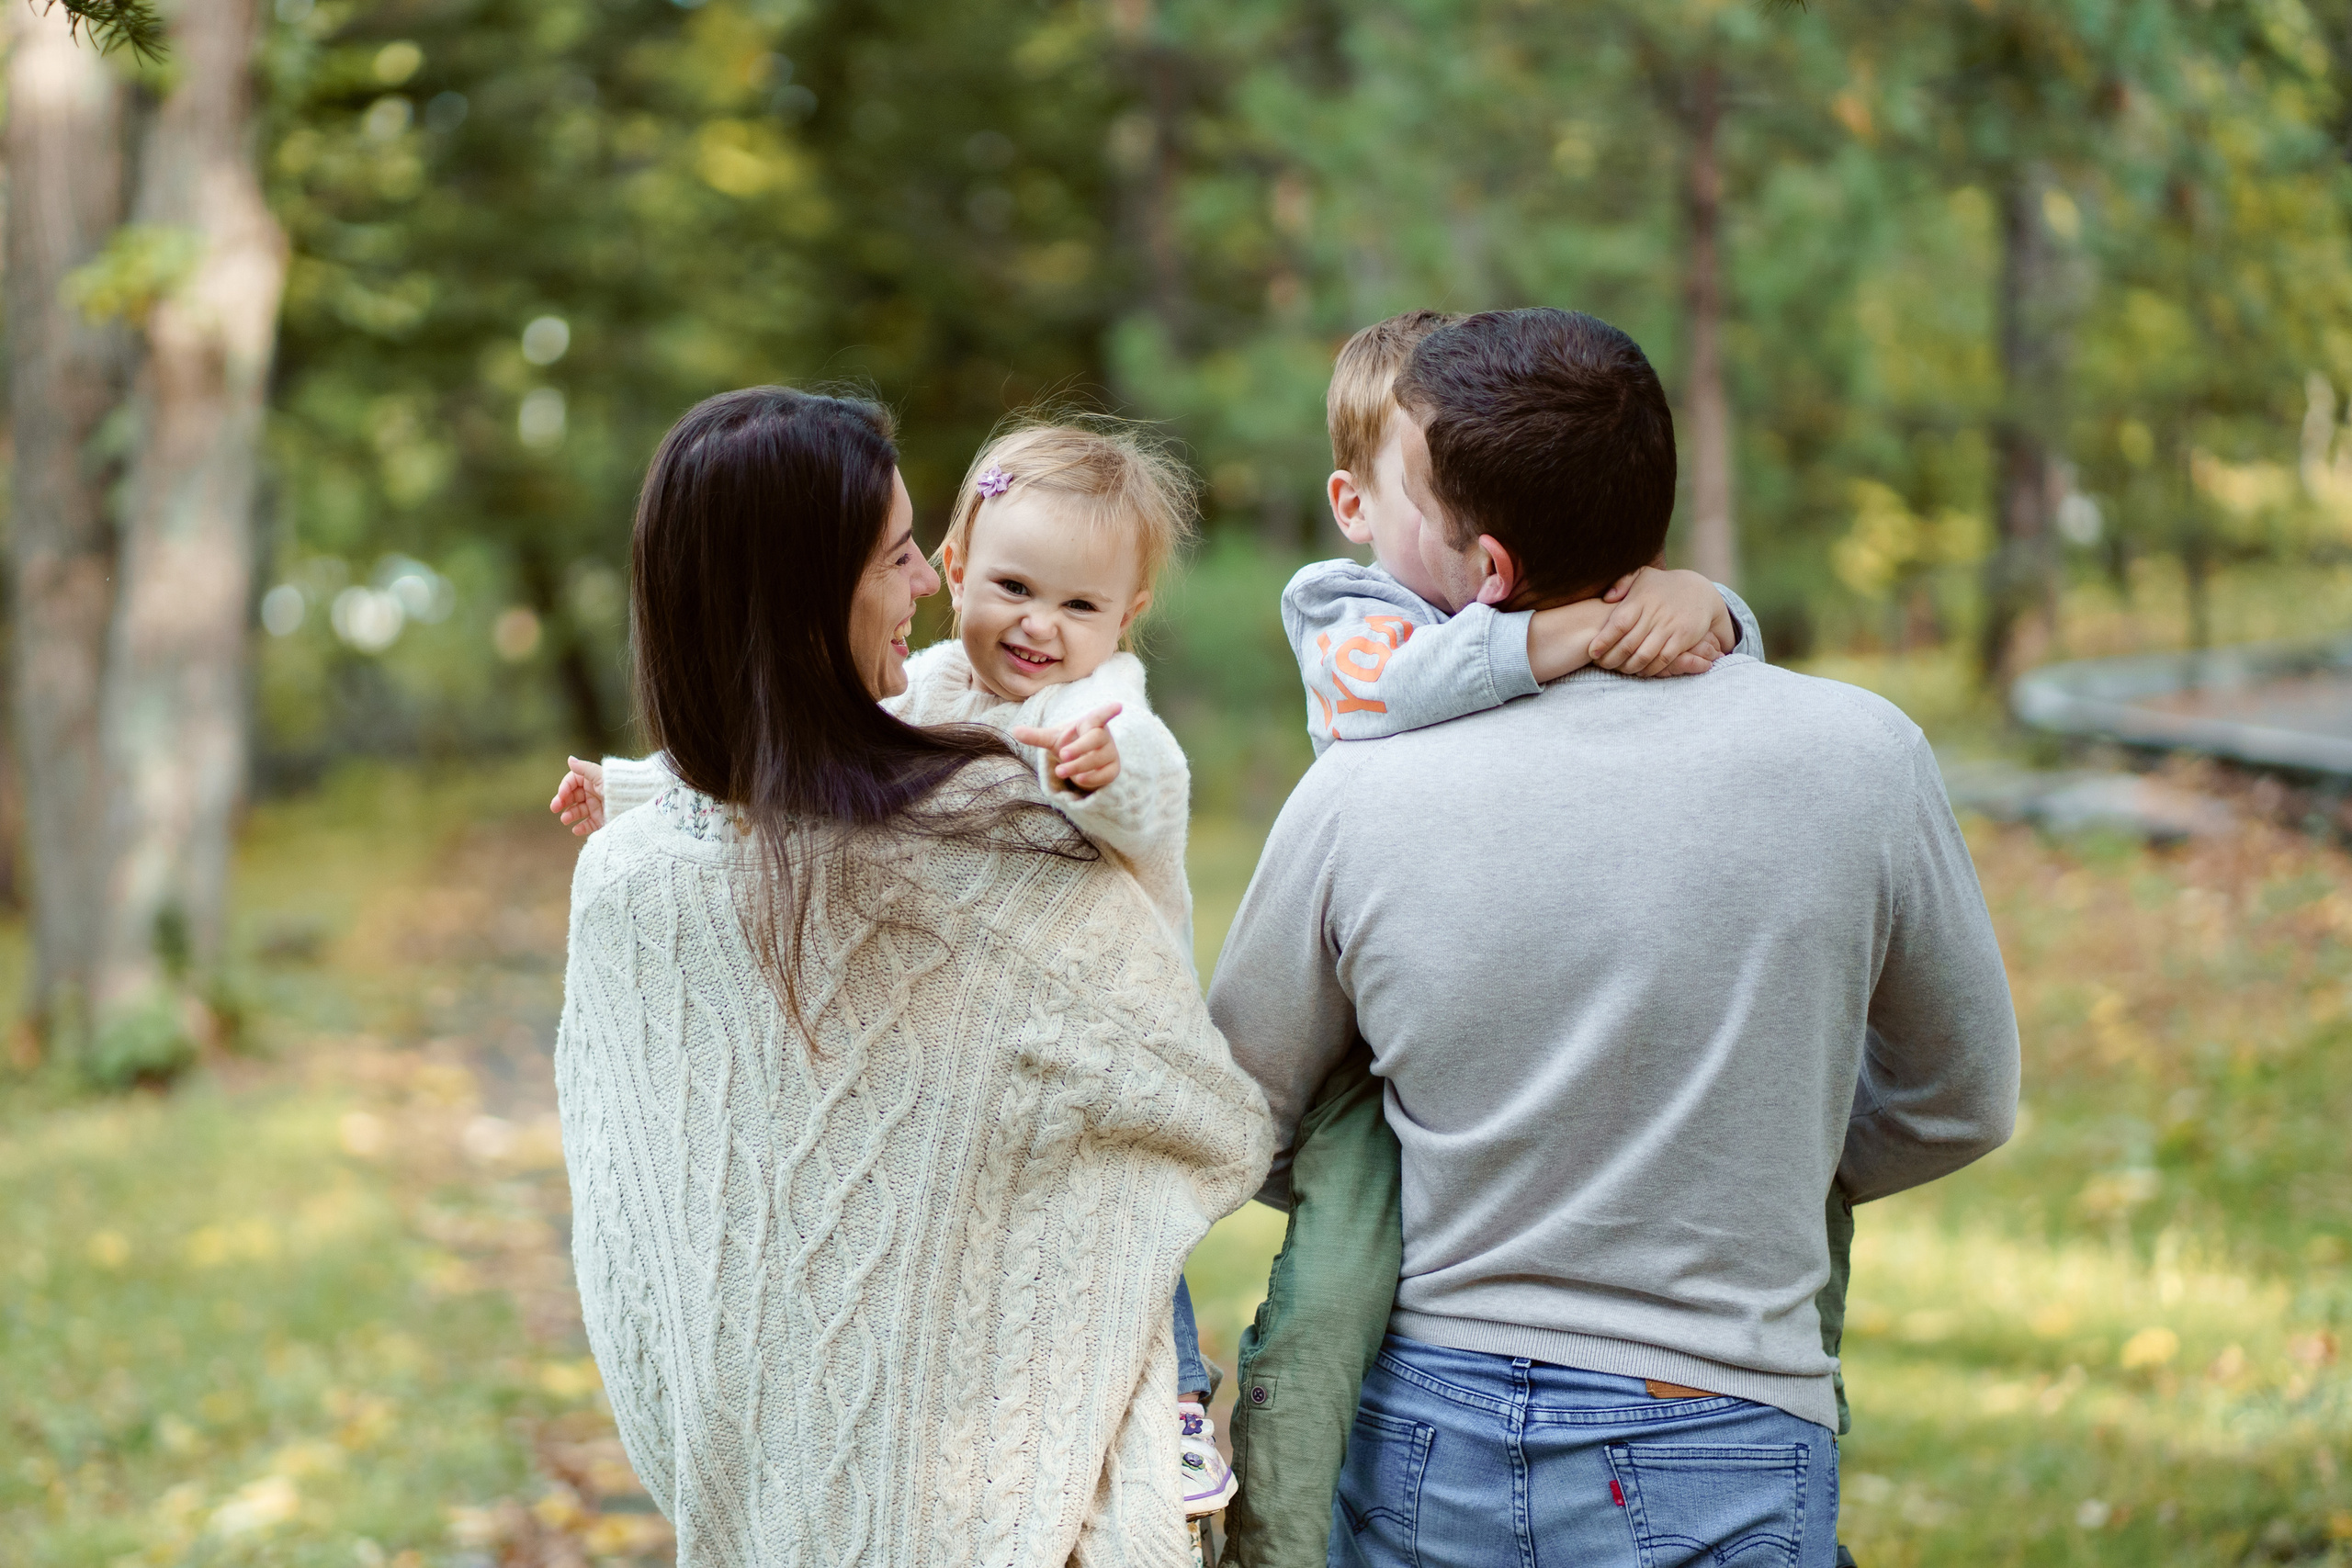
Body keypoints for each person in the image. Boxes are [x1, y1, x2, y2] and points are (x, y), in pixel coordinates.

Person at [1207, 309, 2018, 1568]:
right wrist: (1747, 1161)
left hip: (1426, 1418)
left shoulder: (1361, 789)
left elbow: (1236, 1111)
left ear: (1482, 563)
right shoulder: (1863, 754)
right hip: (1724, 1415)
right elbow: (1960, 1098)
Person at [553, 386, 1272, 1566]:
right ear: (802, 598)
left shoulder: (1037, 782)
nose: (932, 591)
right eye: (903, 559)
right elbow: (1207, 1114)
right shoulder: (945, 835)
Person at [1221, 308, 1770, 1568]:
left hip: (1544, 1005)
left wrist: (1712, 608)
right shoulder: (1344, 609)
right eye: (1425, 489)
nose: (1467, 536)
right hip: (1373, 1049)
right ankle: (1274, 1533)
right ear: (1354, 503)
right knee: (1331, 1296)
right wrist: (1565, 631)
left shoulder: (1546, 583)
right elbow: (1394, 693)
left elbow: (1699, 651)